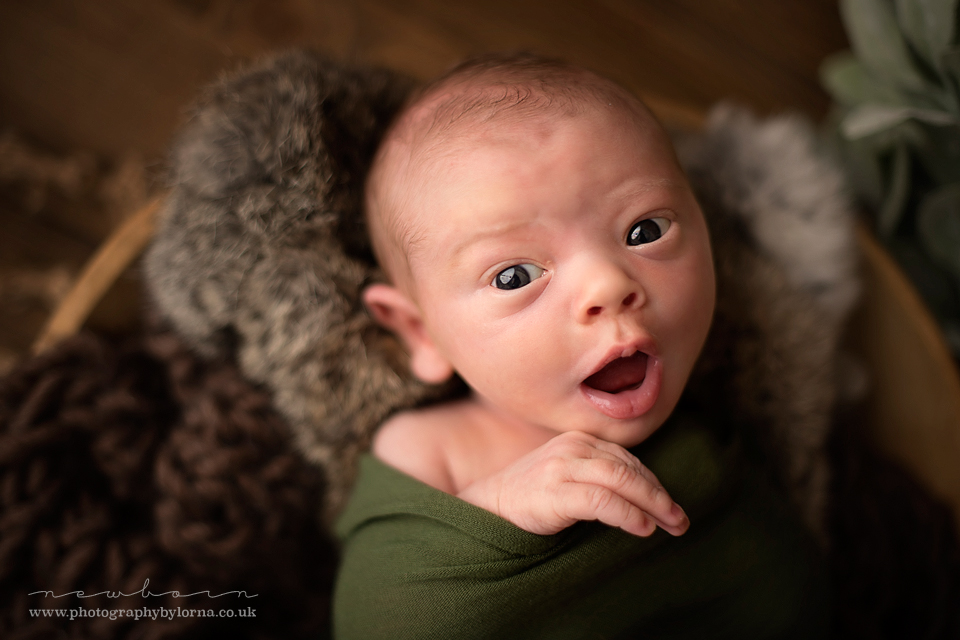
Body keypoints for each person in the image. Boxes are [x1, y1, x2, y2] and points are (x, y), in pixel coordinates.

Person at [333, 53, 830, 639]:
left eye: (644, 230)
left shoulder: (722, 409)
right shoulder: (431, 450)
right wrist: (500, 511)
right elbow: (375, 619)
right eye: (514, 276)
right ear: (420, 331)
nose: (608, 285)